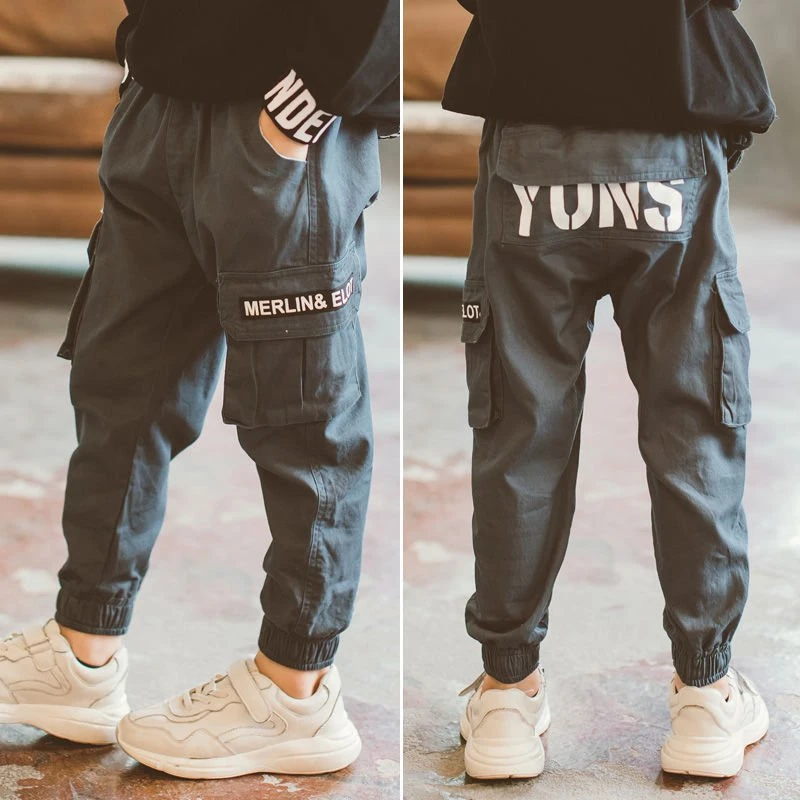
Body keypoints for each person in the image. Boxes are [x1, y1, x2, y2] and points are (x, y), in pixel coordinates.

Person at [0, 0, 399, 781]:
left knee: (303, 421)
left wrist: (302, 107)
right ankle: (84, 651)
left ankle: (296, 688)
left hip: (280, 120)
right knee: (121, 389)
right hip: (160, 104)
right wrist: (143, 62)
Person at [445, 0, 775, 781]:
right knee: (693, 422)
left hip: (531, 136)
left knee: (521, 428)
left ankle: (507, 694)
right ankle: (705, 693)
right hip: (670, 124)